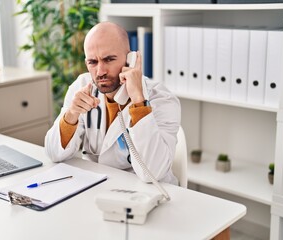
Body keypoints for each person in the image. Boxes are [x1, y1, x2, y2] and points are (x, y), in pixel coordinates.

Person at [45, 22, 181, 185]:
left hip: (146, 193)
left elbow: (152, 174)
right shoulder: (82, 87)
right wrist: (71, 115)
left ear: (131, 59)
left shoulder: (162, 100)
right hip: (97, 188)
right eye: (92, 62)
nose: (100, 71)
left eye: (109, 59)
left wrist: (138, 100)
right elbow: (54, 154)